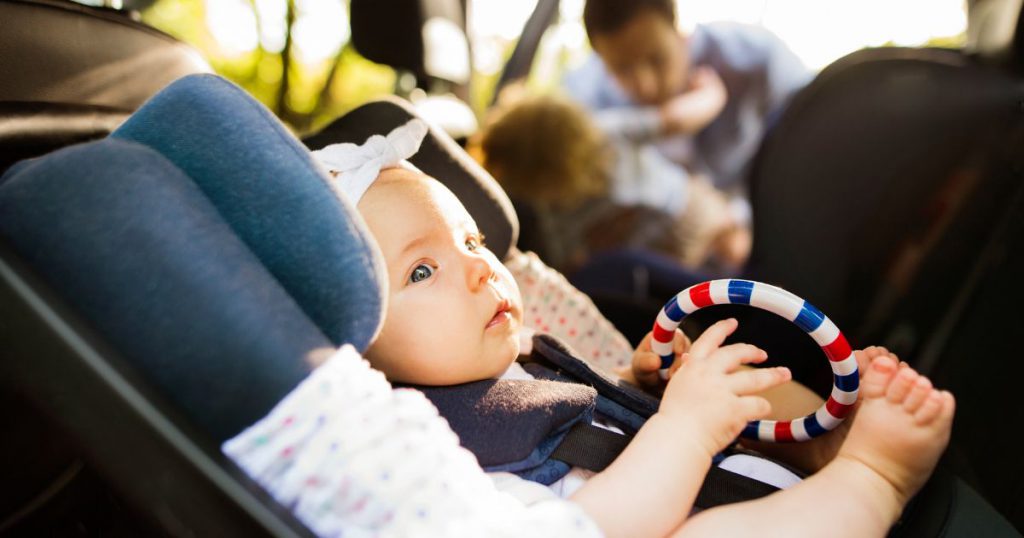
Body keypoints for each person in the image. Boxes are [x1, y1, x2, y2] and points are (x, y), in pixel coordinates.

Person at [301, 120, 955, 537]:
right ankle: (875, 476)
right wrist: (687, 428)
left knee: (724, 370)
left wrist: (638, 383)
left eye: (472, 241)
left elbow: (578, 416)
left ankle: (825, 442)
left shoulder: (526, 355)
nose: (479, 269)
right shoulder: (426, 451)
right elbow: (589, 525)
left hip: (741, 482)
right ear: (357, 344)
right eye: (421, 271)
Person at [563, 0, 814, 257]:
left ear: (680, 28)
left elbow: (812, 153)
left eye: (656, 59)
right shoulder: (585, 102)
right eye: (622, 69)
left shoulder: (755, 60)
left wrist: (744, 223)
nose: (645, 85)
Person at [475, 92, 748, 273]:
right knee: (734, 251)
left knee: (718, 260)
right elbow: (673, 119)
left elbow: (568, 262)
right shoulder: (604, 133)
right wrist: (711, 94)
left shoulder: (555, 204)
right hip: (678, 216)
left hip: (668, 236)